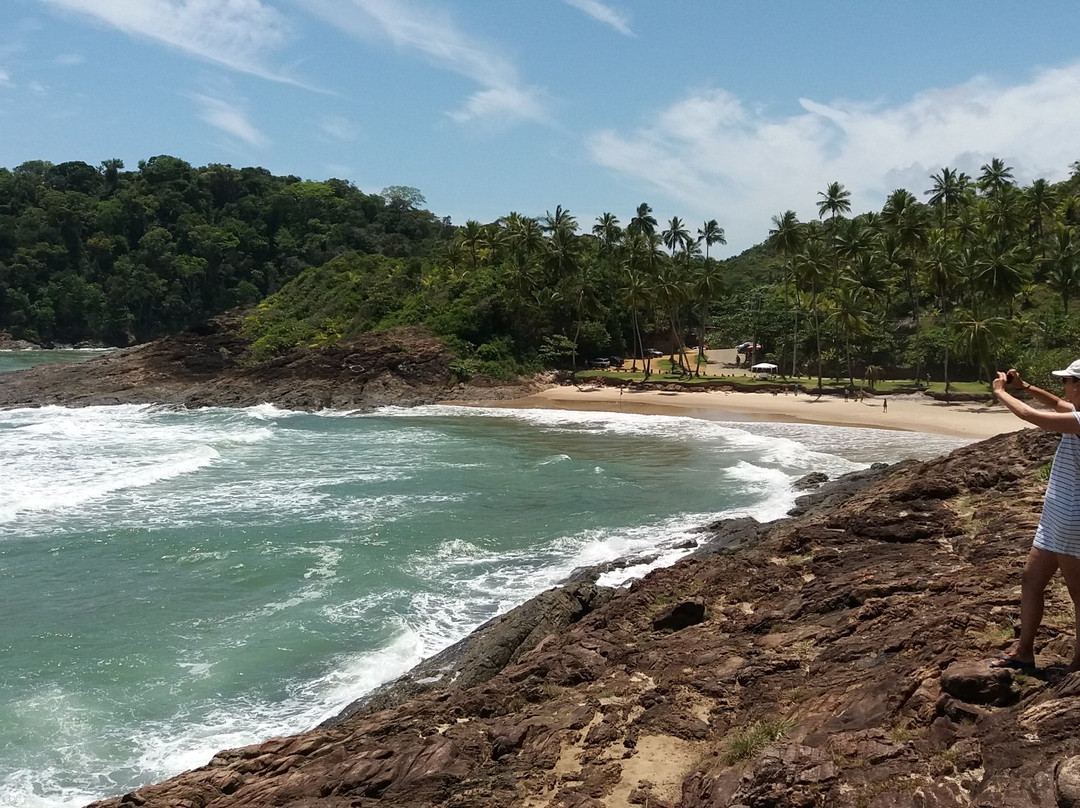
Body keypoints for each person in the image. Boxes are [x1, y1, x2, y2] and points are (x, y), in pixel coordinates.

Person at [989, 361, 1080, 672]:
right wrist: (1024, 387)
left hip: (1073, 519)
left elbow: (1031, 416)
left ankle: (1078, 665)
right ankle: (1024, 652)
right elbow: (1055, 404)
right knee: (1030, 580)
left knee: (1077, 594)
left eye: (1067, 381)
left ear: (1078, 386)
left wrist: (1000, 392)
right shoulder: (1075, 409)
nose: (1064, 387)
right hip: (1057, 516)